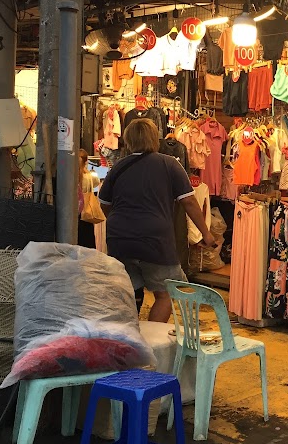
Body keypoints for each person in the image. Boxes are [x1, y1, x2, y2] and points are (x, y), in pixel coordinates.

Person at [99, 118, 216, 322]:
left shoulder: (118, 167)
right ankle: (152, 345)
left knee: (129, 292)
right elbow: (189, 202)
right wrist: (206, 233)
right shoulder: (169, 164)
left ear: (128, 140)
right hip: (155, 240)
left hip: (120, 239)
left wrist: (121, 223)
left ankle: (130, 342)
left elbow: (104, 203)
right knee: (165, 293)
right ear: (155, 139)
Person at [78, 148, 100, 248]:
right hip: (87, 211)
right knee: (87, 241)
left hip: (75, 212)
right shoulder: (90, 176)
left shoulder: (71, 176)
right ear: (86, 161)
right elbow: (97, 183)